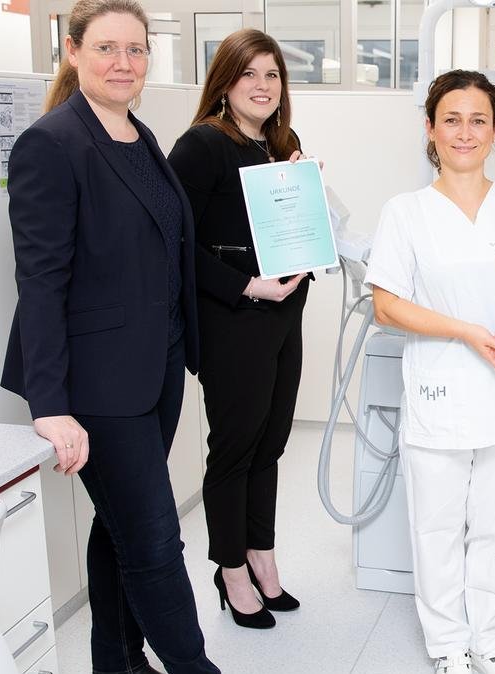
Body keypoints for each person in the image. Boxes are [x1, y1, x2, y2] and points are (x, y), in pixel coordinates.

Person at [0, 1, 220, 672]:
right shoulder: (52, 142)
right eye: (106, 49)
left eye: (136, 49)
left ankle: (116, 659)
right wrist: (50, 404)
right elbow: (39, 280)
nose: (124, 63)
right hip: (96, 384)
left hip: (156, 370)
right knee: (153, 537)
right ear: (73, 53)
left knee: (121, 525)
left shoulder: (139, 135)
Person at [365, 69, 495, 674]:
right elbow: (386, 303)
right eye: (451, 118)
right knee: (437, 529)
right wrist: (467, 331)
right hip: (441, 392)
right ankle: (448, 645)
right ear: (430, 128)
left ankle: (490, 641)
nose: (465, 131)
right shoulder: (406, 212)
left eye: (479, 119)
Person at [167, 29, 310, 630]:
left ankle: (262, 555)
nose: (262, 86)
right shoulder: (203, 146)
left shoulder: (282, 147)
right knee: (234, 449)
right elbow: (175, 242)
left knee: (271, 445)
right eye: (248, 74)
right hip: (234, 319)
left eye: (272, 75)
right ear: (224, 82)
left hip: (283, 316)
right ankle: (229, 569)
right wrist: (247, 285)